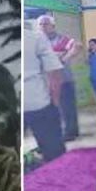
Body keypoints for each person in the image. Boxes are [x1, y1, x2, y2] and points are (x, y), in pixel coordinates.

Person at [23, 27, 66, 162]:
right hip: (37, 102)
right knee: (53, 152)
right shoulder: (35, 37)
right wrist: (55, 101)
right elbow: (54, 71)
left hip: (3, 105)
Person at [37, 14, 81, 141]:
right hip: (45, 82)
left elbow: (77, 46)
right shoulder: (38, 41)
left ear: (53, 26)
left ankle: (71, 132)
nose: (43, 27)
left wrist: (63, 58)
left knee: (67, 107)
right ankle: (56, 132)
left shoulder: (61, 39)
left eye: (45, 24)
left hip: (64, 79)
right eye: (40, 24)